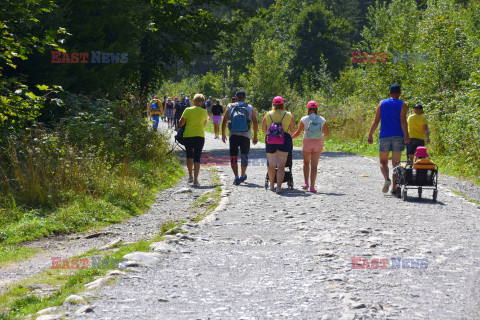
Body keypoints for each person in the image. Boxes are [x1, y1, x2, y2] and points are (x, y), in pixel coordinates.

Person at [368, 84, 410, 195]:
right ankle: (394, 188)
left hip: (384, 136)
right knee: (396, 164)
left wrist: (370, 134)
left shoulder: (382, 103)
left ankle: (387, 179)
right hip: (398, 136)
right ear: (400, 93)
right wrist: (406, 135)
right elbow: (403, 121)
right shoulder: (403, 105)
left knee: (383, 162)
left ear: (390, 93)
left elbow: (376, 121)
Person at [222, 90, 258, 185]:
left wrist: (223, 134)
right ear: (244, 98)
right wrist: (255, 136)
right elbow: (255, 122)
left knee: (233, 156)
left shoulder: (230, 106)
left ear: (236, 97)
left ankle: (236, 177)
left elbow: (224, 120)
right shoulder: (249, 107)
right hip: (245, 135)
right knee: (244, 155)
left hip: (233, 135)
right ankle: (242, 175)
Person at [291, 101, 329, 193]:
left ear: (308, 109)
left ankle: (306, 183)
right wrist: (320, 138)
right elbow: (326, 134)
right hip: (318, 143)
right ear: (316, 109)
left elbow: (298, 133)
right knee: (314, 165)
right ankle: (312, 186)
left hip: (307, 142)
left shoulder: (304, 119)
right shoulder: (322, 119)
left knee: (306, 163)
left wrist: (290, 137)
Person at [262, 96, 295, 194]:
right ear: (282, 104)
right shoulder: (288, 115)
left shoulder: (268, 115)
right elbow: (292, 131)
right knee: (281, 165)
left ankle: (271, 185)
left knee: (271, 164)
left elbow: (264, 130)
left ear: (273, 104)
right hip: (284, 139)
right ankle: (279, 187)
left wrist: (272, 135)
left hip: (271, 140)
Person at [179, 94, 209, 186]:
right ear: (202, 102)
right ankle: (196, 180)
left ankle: (190, 176)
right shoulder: (204, 111)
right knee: (197, 157)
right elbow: (204, 123)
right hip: (200, 136)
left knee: (189, 155)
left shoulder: (187, 110)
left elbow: (180, 123)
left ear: (193, 101)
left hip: (188, 136)